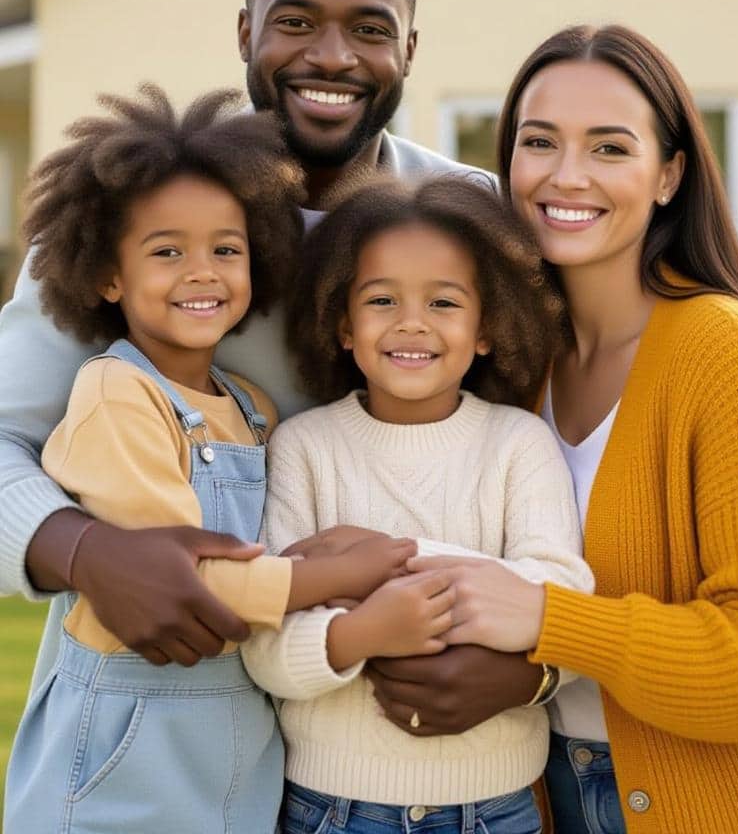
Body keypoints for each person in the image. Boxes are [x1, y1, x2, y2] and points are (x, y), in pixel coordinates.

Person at [0, 0, 503, 696]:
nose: (332, 57)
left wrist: (531, 668)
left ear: (409, 48)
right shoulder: (136, 204)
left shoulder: (468, 220)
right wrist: (82, 551)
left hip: (387, 750)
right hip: (161, 712)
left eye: (369, 29)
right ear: (246, 31)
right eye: (296, 22)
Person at [408, 25, 738, 834]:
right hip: (540, 794)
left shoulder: (723, 349)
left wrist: (546, 620)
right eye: (540, 142)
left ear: (668, 174)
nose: (567, 176)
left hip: (732, 806)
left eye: (609, 148)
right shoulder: (512, 362)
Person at [4, 85, 427, 834]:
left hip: (238, 757)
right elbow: (189, 583)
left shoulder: (250, 407)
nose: (202, 272)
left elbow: (261, 546)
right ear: (109, 276)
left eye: (225, 250)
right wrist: (345, 573)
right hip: (124, 753)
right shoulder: (117, 394)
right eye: (167, 252)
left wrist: (327, 548)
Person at [241, 176, 594, 830]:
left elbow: (564, 606)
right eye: (382, 299)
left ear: (486, 328)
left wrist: (366, 567)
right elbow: (265, 645)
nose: (412, 322)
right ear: (342, 325)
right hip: (331, 809)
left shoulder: (518, 444)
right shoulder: (305, 448)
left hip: (494, 809)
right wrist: (365, 630)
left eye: (443, 302)